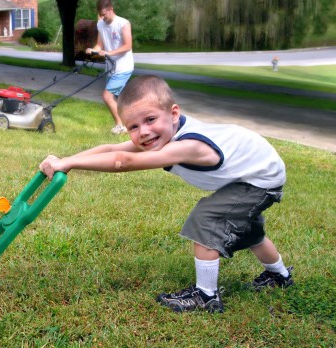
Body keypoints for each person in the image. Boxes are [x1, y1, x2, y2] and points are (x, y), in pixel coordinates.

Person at [39, 75, 294, 313]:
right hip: (252, 173)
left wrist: (69, 164)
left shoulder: (188, 145)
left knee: (207, 218)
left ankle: (206, 296)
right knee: (250, 231)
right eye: (133, 127)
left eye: (150, 120)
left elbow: (122, 161)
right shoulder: (167, 133)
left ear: (173, 113)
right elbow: (111, 147)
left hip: (259, 178)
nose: (144, 132)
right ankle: (279, 276)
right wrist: (66, 160)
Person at [86, 0, 134, 135]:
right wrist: (93, 50)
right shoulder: (100, 24)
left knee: (107, 96)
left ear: (110, 9)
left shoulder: (123, 24)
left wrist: (108, 53)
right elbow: (100, 45)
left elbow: (127, 46)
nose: (102, 18)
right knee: (121, 99)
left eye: (104, 14)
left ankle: (120, 126)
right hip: (110, 68)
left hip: (123, 66)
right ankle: (132, 123)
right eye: (100, 15)